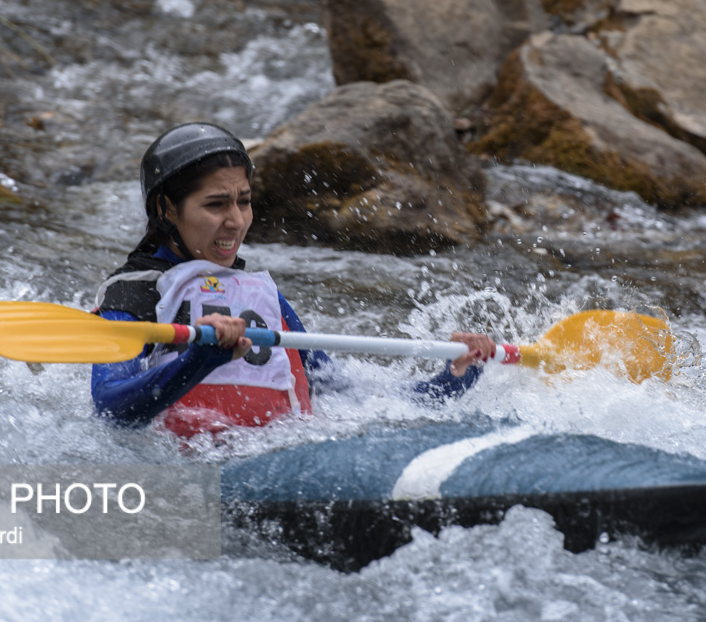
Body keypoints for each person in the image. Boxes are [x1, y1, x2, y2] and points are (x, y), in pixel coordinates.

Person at [91, 122, 495, 437]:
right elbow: (111, 407)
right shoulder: (134, 293)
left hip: (278, 451)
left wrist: (455, 376)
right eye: (216, 204)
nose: (236, 221)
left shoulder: (259, 294)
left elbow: (347, 396)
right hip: (192, 472)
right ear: (166, 208)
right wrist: (199, 360)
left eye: (244, 201)